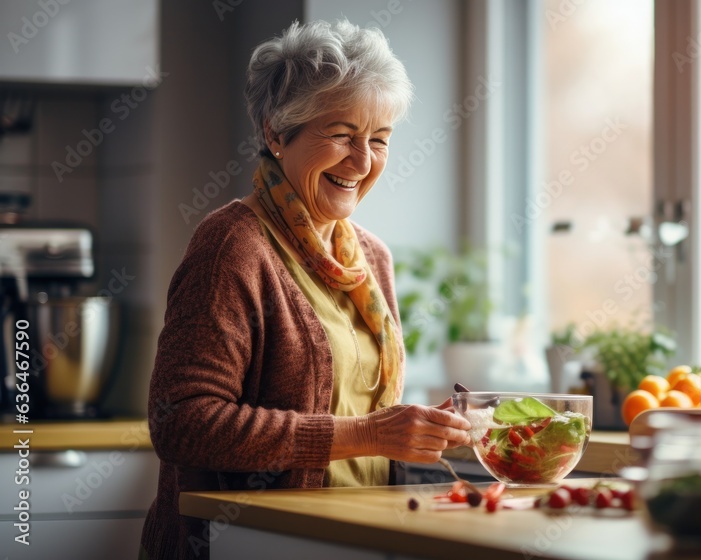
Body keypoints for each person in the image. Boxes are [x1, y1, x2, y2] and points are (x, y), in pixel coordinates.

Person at [140, 20, 472, 560]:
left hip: (355, 541)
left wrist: (415, 432)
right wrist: (367, 434)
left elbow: (356, 415)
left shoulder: (371, 258)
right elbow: (182, 424)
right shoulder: (234, 245)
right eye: (341, 135)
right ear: (276, 133)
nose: (363, 162)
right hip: (248, 545)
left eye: (379, 140)